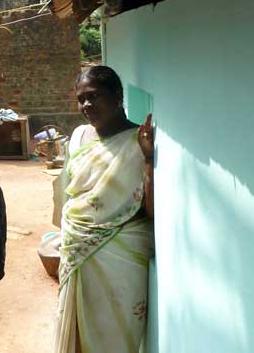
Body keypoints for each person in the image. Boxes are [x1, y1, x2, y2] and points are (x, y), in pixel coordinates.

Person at [53, 65, 155, 353]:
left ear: (118, 96)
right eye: (81, 98)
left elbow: (150, 211)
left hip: (119, 257)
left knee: (113, 339)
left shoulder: (138, 140)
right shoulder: (78, 137)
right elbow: (69, 193)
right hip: (77, 250)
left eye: (94, 96)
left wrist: (148, 160)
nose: (86, 105)